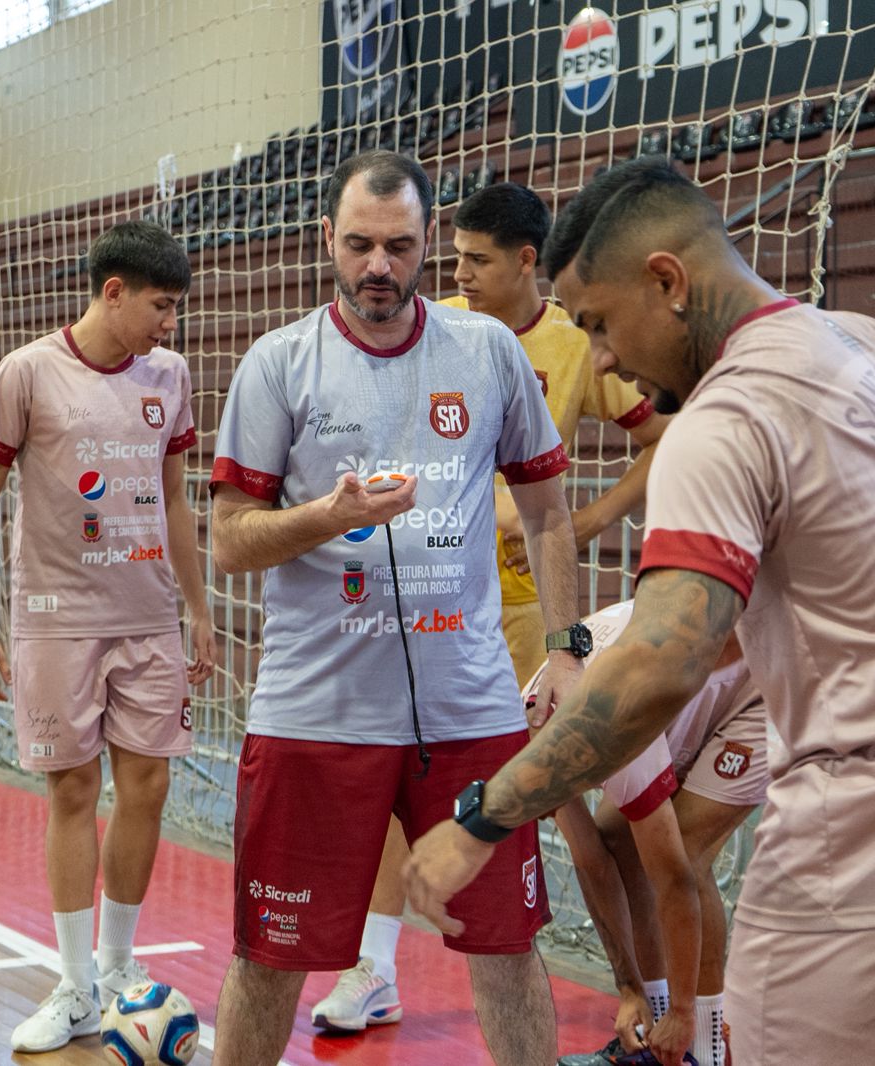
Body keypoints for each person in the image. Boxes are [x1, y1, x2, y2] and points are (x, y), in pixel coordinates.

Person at [406, 156, 875, 1065]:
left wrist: (481, 820)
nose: (601, 358)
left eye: (598, 323)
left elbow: (658, 666)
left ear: (667, 281)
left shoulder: (724, 420)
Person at [207, 149, 585, 1066]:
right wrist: (322, 518)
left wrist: (570, 648)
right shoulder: (278, 364)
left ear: (429, 246)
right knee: (270, 958)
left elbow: (547, 513)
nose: (379, 266)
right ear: (326, 239)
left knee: (505, 945)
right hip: (316, 712)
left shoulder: (490, 352)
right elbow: (228, 537)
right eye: (362, 245)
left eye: (402, 246)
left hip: (471, 708)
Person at [311, 180, 671, 1035]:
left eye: (476, 259)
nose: (458, 273)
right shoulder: (424, 338)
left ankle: (630, 987)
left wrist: (585, 519)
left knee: (572, 807)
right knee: (402, 774)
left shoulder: (578, 343)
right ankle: (373, 967)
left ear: (523, 261)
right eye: (454, 256)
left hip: (528, 610)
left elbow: (659, 440)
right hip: (434, 599)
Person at [0, 219, 217, 1053]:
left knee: (146, 791)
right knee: (71, 794)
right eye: (160, 305)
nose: (168, 324)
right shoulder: (27, 371)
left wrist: (199, 607)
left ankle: (113, 974)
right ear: (112, 292)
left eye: (175, 308)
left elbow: (176, 498)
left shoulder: (170, 375)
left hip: (149, 619)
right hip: (56, 622)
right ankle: (71, 989)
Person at [534, 601, 766, 1066]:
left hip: (759, 683)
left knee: (685, 852)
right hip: (673, 690)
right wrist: (628, 989)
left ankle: (705, 1050)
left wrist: (682, 1012)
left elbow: (674, 879)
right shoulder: (530, 732)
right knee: (619, 839)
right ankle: (652, 1040)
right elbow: (591, 857)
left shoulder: (607, 727)